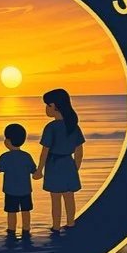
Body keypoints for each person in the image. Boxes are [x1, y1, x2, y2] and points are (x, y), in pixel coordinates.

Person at [39, 88, 84, 234]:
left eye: (48, 105)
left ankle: (56, 226)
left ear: (55, 106)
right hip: (68, 164)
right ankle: (71, 223)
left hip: (54, 164)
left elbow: (45, 151)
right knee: (69, 196)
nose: (46, 109)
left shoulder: (51, 128)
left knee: (56, 199)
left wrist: (40, 170)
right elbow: (79, 151)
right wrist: (75, 168)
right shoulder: (73, 126)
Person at [0, 123, 40, 240]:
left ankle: (11, 230)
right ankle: (26, 229)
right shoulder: (26, 156)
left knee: (11, 212)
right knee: (26, 211)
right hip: (25, 191)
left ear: (8, 141)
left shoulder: (5, 157)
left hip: (10, 191)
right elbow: (34, 171)